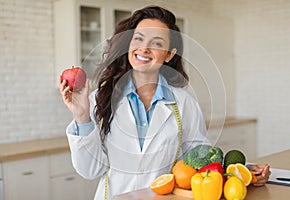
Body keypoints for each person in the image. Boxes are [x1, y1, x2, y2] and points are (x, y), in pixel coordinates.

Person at [59, 6, 270, 199]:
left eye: (157, 43)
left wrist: (243, 173)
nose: (144, 48)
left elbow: (200, 160)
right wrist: (82, 117)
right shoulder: (101, 98)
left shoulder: (184, 103)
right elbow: (90, 170)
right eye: (138, 39)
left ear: (169, 55)